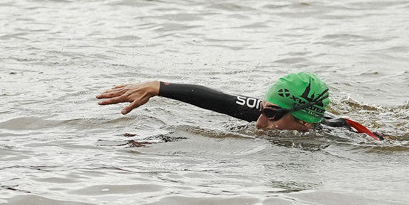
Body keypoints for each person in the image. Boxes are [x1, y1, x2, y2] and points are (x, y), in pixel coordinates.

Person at [96, 72, 379, 136]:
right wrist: (158, 88)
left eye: (270, 115)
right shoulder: (274, 112)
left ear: (305, 120)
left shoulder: (344, 137)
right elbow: (219, 100)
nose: (259, 122)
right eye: (262, 110)